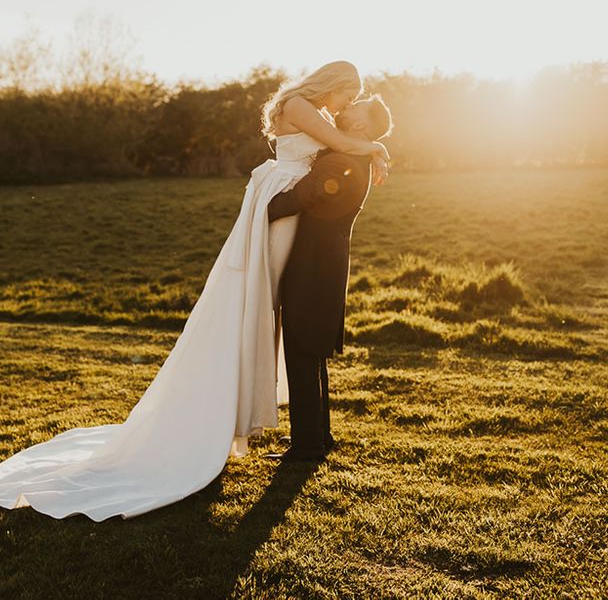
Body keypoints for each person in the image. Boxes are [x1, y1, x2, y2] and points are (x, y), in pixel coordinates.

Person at [0, 61, 390, 521]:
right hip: (278, 209)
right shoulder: (301, 104)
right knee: (256, 303)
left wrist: (370, 146)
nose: (346, 106)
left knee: (274, 310)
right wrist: (376, 148)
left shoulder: (321, 115)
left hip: (292, 214)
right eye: (349, 96)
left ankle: (294, 429)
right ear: (336, 85)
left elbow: (340, 147)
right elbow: (343, 145)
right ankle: (237, 412)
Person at [265, 95, 393, 461]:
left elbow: (304, 196)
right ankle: (317, 439)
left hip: (314, 267)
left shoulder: (342, 163)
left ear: (359, 126)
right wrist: (376, 149)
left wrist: (261, 206)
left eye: (356, 106)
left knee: (303, 351)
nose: (344, 107)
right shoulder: (351, 155)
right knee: (311, 352)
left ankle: (307, 446)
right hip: (322, 265)